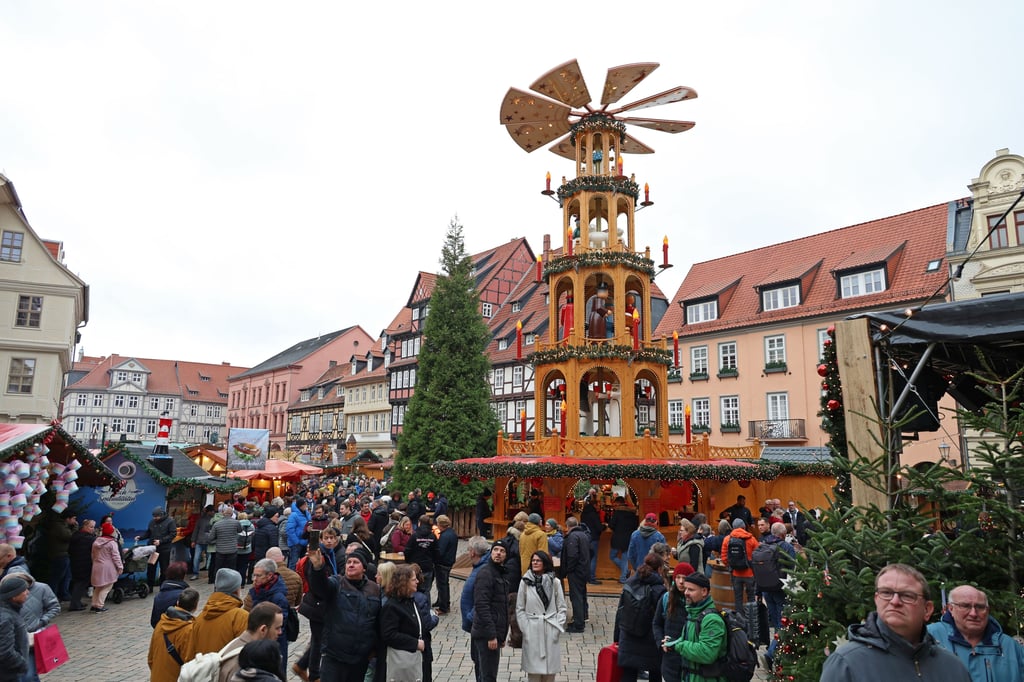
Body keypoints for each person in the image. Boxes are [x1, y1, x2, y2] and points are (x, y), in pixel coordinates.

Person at [820, 563, 971, 682]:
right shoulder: (846, 663)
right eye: (886, 593)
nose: (895, 601)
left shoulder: (953, 667)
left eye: (907, 595)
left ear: (927, 609)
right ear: (876, 599)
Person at [306, 540, 382, 681]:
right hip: (335, 655)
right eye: (348, 562)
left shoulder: (374, 589)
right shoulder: (337, 583)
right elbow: (320, 586)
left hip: (360, 657)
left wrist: (374, 648)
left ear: (364, 568)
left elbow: (377, 621)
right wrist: (317, 567)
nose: (351, 565)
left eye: (355, 562)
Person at [927, 584, 1024, 682]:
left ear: (987, 610)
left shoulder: (1010, 647)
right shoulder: (929, 637)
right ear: (951, 609)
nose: (973, 613)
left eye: (980, 607)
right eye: (965, 606)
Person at [294, 527, 341, 682]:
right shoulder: (316, 556)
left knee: (317, 639)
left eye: (331, 538)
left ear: (336, 539)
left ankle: (301, 665)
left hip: (323, 603)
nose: (329, 541)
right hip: (317, 604)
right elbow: (314, 582)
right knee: (319, 641)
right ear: (320, 539)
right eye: (326, 538)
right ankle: (314, 675)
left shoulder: (331, 554)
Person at [615, 553, 667, 682]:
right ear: (660, 569)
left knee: (628, 674)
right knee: (655, 673)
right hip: (650, 640)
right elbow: (663, 618)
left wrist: (617, 637)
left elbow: (620, 612)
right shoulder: (660, 589)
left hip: (628, 636)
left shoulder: (630, 582)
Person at [516, 551, 566, 682]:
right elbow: (520, 608)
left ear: (545, 563)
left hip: (550, 628)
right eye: (533, 560)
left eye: (538, 560)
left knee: (550, 675)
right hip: (533, 631)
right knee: (533, 674)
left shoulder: (555, 582)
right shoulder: (525, 582)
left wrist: (557, 627)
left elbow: (562, 607)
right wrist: (525, 629)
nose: (535, 563)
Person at [671, 573, 728, 681]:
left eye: (691, 590)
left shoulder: (712, 620)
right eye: (686, 589)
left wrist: (678, 646)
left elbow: (707, 653)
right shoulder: (692, 613)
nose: (686, 593)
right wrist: (672, 642)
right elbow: (688, 641)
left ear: (704, 591)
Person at [4, 571, 59, 682]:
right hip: (18, 643)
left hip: (34, 637)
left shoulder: (42, 588)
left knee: (30, 674)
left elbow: (54, 607)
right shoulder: (7, 613)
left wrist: (42, 621)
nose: (27, 593)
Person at [379, 564, 428, 682]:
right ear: (404, 582)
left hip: (416, 659)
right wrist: (415, 643)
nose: (417, 581)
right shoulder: (392, 606)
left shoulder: (411, 601)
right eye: (413, 579)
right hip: (401, 660)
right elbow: (388, 634)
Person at [470, 541, 510, 682]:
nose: (498, 553)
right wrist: (492, 635)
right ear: (491, 553)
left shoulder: (500, 573)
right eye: (496, 550)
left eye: (502, 551)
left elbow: (502, 607)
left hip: (493, 633)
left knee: (487, 674)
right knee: (488, 676)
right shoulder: (486, 573)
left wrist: (502, 635)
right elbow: (481, 605)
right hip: (486, 634)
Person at [245, 559, 290, 679]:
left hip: (273, 645)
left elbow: (280, 625)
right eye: (254, 575)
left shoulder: (278, 597)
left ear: (270, 576)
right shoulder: (258, 591)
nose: (254, 579)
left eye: (258, 576)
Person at [653, 562, 696, 682]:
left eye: (684, 578)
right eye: (678, 577)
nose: (681, 582)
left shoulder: (695, 601)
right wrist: (660, 641)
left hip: (688, 658)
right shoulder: (666, 598)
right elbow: (656, 623)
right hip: (670, 658)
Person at [220, 602, 284, 682]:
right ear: (263, 629)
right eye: (277, 628)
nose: (280, 632)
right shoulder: (244, 662)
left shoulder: (234, 644)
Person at [191, 568, 249, 655]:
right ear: (237, 590)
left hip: (205, 667)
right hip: (227, 667)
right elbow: (245, 652)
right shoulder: (241, 617)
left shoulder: (199, 617)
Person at [147, 587, 198, 682]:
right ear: (195, 607)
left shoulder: (160, 624)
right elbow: (190, 664)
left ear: (178, 602)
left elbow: (150, 659)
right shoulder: (189, 630)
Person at [757, 522, 796, 630]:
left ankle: (776, 639)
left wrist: (758, 591)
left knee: (774, 620)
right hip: (781, 587)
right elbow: (793, 567)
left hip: (765, 588)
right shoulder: (787, 547)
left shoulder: (762, 545)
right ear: (783, 535)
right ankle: (776, 645)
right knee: (782, 621)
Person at [137, 506, 178, 589]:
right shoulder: (152, 522)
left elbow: (173, 534)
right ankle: (149, 586)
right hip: (152, 549)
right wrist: (141, 537)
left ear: (162, 514)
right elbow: (148, 533)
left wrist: (161, 541)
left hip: (164, 549)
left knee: (164, 569)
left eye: (156, 516)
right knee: (151, 568)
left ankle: (163, 586)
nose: (155, 518)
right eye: (154, 516)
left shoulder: (170, 521)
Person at [721, 518, 757, 612]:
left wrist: (731, 566)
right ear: (744, 527)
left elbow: (724, 558)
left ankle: (739, 619)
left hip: (735, 574)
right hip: (749, 573)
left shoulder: (727, 539)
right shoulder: (751, 539)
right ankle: (752, 620)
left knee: (738, 598)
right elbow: (757, 555)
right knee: (751, 598)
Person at [562, 516, 590, 633]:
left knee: (576, 596)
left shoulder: (573, 537)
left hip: (576, 571)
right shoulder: (583, 535)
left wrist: (568, 569)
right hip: (583, 569)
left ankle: (578, 624)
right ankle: (582, 616)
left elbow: (572, 555)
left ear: (567, 526)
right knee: (582, 594)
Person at [0, 577, 31, 682]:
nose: (27, 592)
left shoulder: (11, 611)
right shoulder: (5, 617)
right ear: (13, 596)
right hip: (8, 675)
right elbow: (5, 651)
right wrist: (21, 664)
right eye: (24, 590)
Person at [460, 536, 492, 636]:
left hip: (478, 624)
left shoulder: (483, 571)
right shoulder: (480, 566)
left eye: (468, 550)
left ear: (473, 552)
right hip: (475, 624)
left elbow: (483, 600)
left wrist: (470, 617)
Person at [90, 521, 122, 612]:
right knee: (107, 587)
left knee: (98, 587)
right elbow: (116, 557)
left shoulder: (96, 541)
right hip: (108, 567)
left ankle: (94, 604)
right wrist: (120, 567)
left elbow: (92, 554)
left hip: (97, 565)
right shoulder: (112, 543)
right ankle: (99, 606)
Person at [44, 509, 75, 602]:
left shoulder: (64, 526)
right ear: (67, 519)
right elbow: (69, 537)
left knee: (67, 576)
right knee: (57, 577)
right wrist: (75, 528)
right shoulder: (59, 526)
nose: (75, 521)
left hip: (64, 554)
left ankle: (64, 594)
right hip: (60, 555)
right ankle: (51, 597)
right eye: (73, 519)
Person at [402, 516, 438, 594]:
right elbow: (436, 552)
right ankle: (426, 605)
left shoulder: (414, 536)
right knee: (427, 590)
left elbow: (407, 550)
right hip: (428, 567)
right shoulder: (433, 536)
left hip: (415, 567)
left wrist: (408, 562)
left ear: (419, 523)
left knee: (414, 589)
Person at [68, 517, 96, 611]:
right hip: (83, 563)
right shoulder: (87, 538)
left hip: (77, 562)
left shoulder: (77, 535)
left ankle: (77, 602)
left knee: (80, 583)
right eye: (91, 527)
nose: (92, 529)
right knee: (80, 584)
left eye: (93, 527)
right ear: (85, 527)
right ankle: (75, 604)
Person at [150, 560, 190, 627]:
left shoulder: (159, 595)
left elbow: (154, 621)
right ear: (183, 575)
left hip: (159, 629)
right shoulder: (183, 595)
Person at [608, 496, 639, 583]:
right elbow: (636, 526)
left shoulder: (617, 513)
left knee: (612, 556)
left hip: (618, 538)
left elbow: (611, 525)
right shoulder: (632, 513)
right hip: (629, 538)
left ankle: (625, 573)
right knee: (625, 558)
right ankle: (623, 577)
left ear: (618, 503)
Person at [626, 513, 666, 579]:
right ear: (656, 522)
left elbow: (630, 555)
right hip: (654, 572)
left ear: (645, 521)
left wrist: (636, 568)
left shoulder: (634, 535)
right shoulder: (659, 537)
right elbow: (663, 557)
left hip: (639, 571)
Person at [210, 506, 242, 586]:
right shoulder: (236, 523)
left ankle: (217, 585)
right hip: (232, 549)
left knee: (219, 569)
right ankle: (231, 585)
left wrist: (218, 541)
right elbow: (240, 531)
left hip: (220, 550)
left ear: (223, 514)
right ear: (232, 514)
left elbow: (211, 538)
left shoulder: (217, 524)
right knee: (232, 569)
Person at [433, 515, 458, 615]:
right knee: (443, 583)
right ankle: (441, 601)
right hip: (449, 561)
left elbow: (440, 551)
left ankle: (443, 607)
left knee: (442, 584)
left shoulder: (445, 536)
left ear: (440, 524)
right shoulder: (451, 533)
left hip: (443, 563)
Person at [580, 491, 604, 584]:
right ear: (594, 506)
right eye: (598, 505)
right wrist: (604, 526)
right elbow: (599, 527)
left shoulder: (584, 513)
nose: (599, 507)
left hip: (584, 537)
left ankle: (584, 577)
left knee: (586, 557)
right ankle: (592, 578)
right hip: (593, 537)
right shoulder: (594, 514)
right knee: (593, 558)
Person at [190, 504, 216, 579]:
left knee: (198, 558)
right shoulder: (205, 520)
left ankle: (198, 573)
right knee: (202, 558)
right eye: (212, 511)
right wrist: (193, 540)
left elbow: (196, 530)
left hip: (204, 541)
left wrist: (193, 540)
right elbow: (196, 530)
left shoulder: (202, 519)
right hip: (204, 541)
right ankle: (201, 573)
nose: (213, 513)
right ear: (209, 512)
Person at [286, 498, 310, 571]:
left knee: (304, 562)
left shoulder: (307, 513)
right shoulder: (294, 515)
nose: (306, 505)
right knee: (293, 562)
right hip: (296, 543)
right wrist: (296, 542)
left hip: (305, 541)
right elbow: (290, 530)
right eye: (304, 504)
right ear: (300, 506)